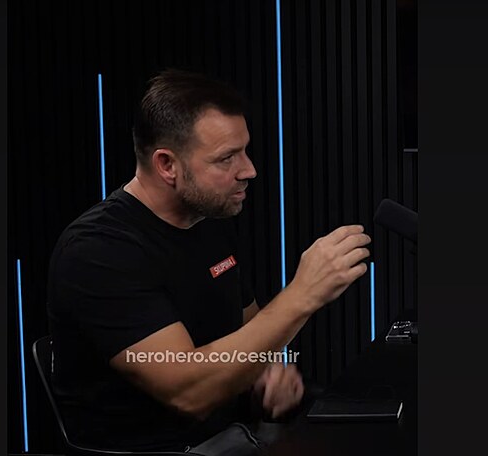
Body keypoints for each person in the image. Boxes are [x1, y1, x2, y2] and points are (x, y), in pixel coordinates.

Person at [46, 69, 371, 454]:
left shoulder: (207, 220)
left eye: (245, 150)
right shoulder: (98, 251)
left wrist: (267, 375)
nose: (249, 170)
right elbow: (189, 393)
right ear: (167, 165)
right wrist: (303, 294)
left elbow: (252, 333)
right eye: (226, 158)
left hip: (231, 436)